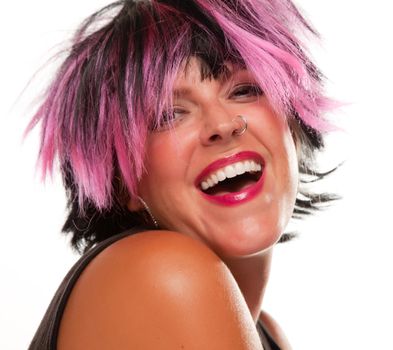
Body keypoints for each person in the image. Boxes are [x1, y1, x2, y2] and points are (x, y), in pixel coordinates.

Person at [27, 0, 337, 349]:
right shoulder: (165, 275)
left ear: (293, 124)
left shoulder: (268, 333)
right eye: (169, 115)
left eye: (244, 90)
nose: (222, 124)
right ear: (121, 182)